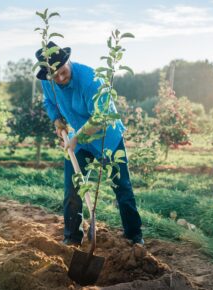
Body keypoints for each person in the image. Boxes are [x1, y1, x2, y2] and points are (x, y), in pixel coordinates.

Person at [35, 41, 143, 246]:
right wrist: (57, 120)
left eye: (62, 71)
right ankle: (72, 238)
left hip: (106, 139)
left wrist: (76, 138)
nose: (59, 78)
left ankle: (134, 236)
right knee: (73, 189)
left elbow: (101, 117)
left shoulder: (91, 80)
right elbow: (48, 102)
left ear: (68, 61)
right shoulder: (49, 81)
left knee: (122, 187)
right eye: (54, 75)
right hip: (79, 142)